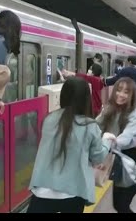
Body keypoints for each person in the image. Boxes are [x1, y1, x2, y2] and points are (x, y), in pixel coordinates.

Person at [27, 77, 116, 213]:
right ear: (87, 99)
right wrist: (106, 140)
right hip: (73, 192)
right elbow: (98, 158)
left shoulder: (49, 119)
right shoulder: (89, 125)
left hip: (42, 189)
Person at [97, 77, 136, 213]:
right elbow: (95, 125)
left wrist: (106, 142)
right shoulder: (110, 108)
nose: (121, 95)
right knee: (117, 204)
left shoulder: (135, 114)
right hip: (121, 158)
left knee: (122, 204)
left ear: (132, 95)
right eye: (118, 90)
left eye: (126, 92)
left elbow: (124, 139)